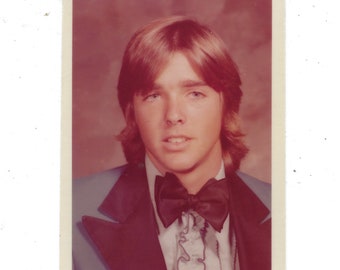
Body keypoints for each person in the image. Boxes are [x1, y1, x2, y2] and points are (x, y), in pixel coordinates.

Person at [72, 16, 271, 270]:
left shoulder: (287, 210)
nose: (173, 115)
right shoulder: (67, 210)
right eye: (154, 96)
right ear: (131, 111)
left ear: (227, 104)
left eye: (195, 94)